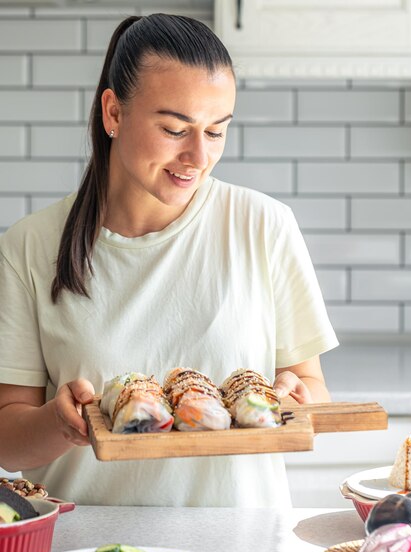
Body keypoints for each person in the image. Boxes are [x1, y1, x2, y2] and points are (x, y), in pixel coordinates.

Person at [0, 14, 338, 507]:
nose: (199, 156)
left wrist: (296, 397)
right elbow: (8, 438)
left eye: (216, 131)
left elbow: (313, 389)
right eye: (176, 129)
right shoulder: (30, 246)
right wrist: (59, 422)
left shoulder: (263, 225)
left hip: (243, 545)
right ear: (113, 113)